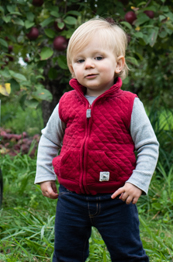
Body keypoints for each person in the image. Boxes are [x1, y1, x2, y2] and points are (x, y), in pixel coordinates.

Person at [35, 18, 159, 262]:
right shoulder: (66, 102)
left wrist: (138, 182)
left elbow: (148, 145)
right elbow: (49, 139)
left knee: (128, 254)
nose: (89, 65)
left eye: (98, 58)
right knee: (66, 255)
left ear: (118, 64)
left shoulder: (129, 104)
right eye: (80, 60)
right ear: (73, 68)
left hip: (116, 197)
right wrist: (45, 173)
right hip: (71, 197)